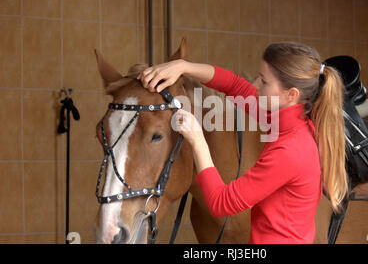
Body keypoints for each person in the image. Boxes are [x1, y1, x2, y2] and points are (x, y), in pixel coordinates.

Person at [137, 42, 348, 244]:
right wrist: (183, 66)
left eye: (264, 81)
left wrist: (197, 139)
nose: (255, 85)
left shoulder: (290, 149)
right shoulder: (289, 120)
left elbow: (222, 203)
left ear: (291, 94)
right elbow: (234, 85)